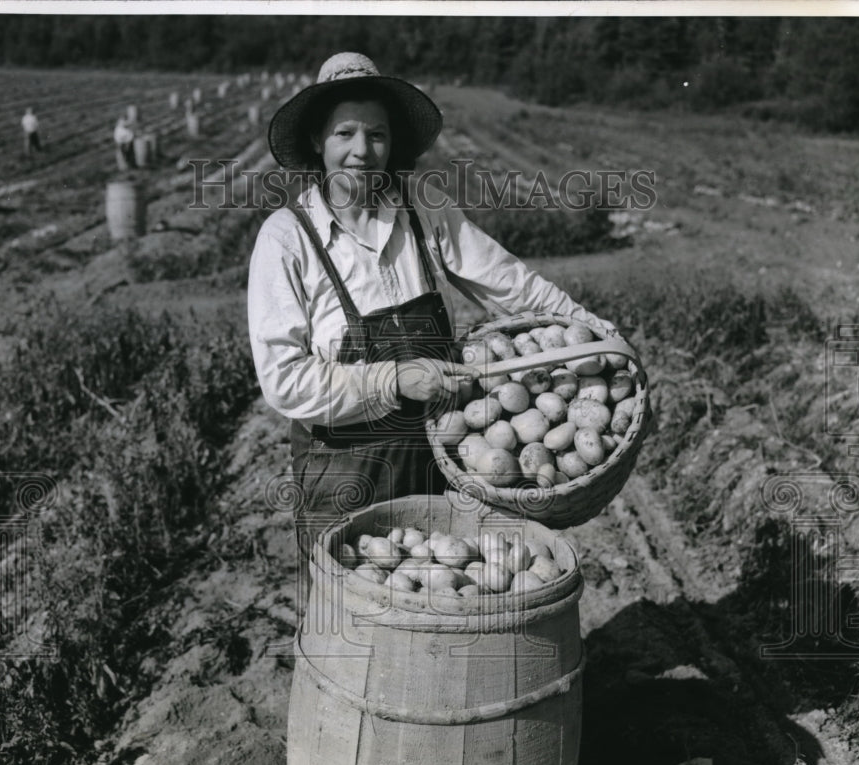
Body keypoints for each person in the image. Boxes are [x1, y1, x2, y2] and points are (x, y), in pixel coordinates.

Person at [248, 52, 614, 611]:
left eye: (377, 133)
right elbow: (285, 381)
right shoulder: (287, 238)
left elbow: (511, 285)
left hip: (438, 457)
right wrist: (394, 379)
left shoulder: (423, 209)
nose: (361, 150)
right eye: (344, 131)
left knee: (442, 610)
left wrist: (595, 332)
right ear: (319, 141)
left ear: (392, 143)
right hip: (345, 470)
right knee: (354, 625)